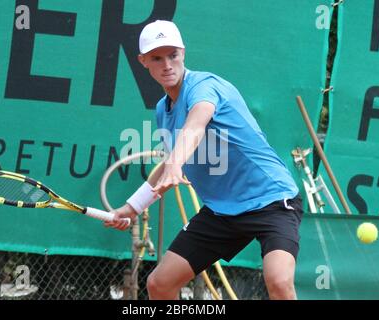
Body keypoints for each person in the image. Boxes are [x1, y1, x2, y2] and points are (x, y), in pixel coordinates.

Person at [105, 20, 303, 300]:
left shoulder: (205, 86)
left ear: (183, 53)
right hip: (221, 213)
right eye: (157, 58)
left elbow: (196, 125)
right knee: (159, 284)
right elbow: (168, 162)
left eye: (173, 55)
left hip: (271, 200)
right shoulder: (163, 110)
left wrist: (175, 164)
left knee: (279, 281)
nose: (167, 65)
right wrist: (132, 207)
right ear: (143, 62)